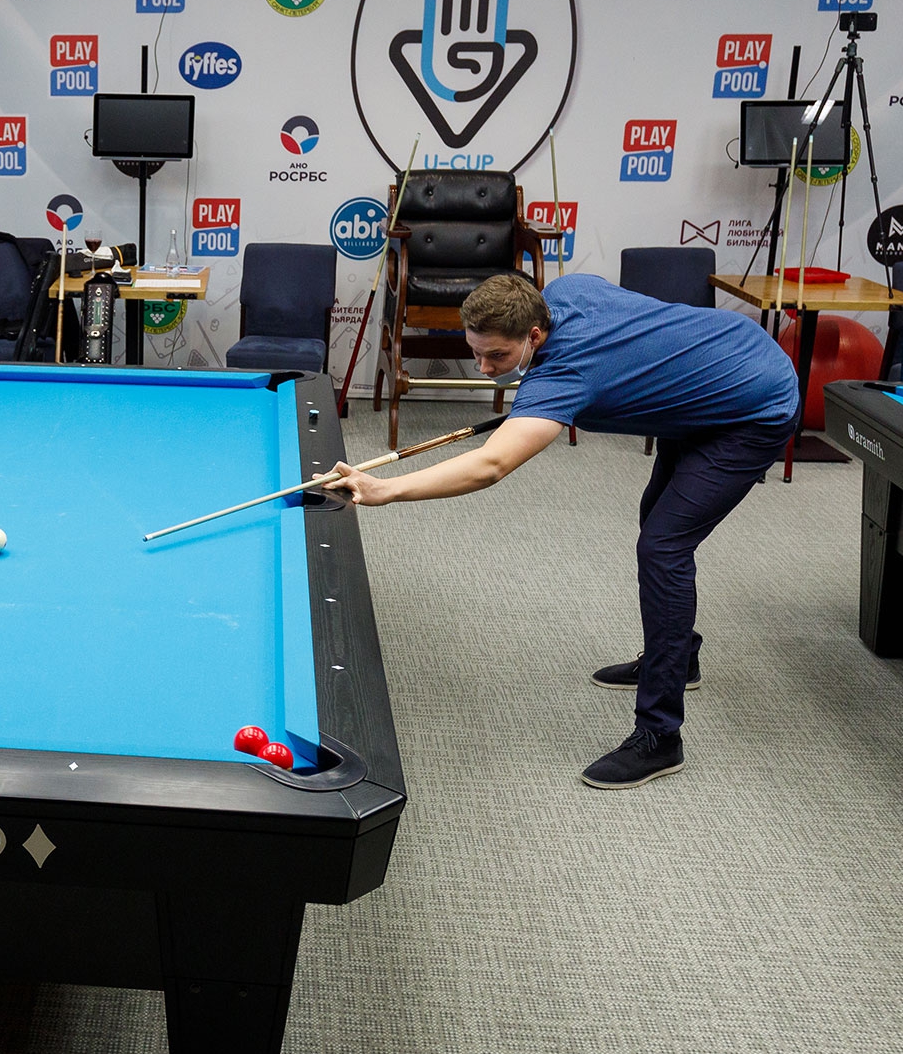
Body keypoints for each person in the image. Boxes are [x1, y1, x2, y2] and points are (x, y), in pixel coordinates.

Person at [324, 270, 799, 789]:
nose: (485, 369)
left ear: (534, 334)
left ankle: (660, 736)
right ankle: (678, 657)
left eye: (497, 356)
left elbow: (491, 465)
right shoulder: (567, 291)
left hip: (753, 407)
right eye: (475, 353)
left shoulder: (565, 376)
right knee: (656, 518)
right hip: (709, 375)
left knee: (664, 548)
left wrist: (386, 489)